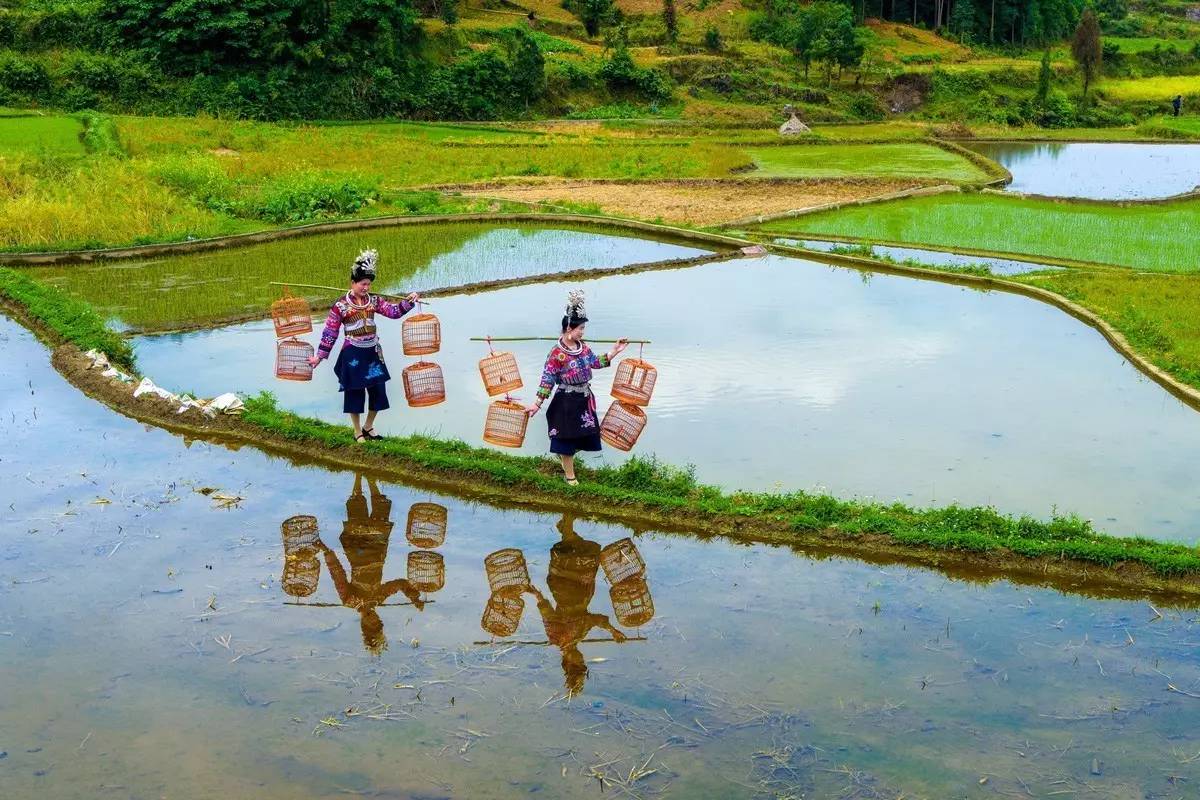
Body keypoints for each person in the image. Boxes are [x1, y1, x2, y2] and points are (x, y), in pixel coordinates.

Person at [308, 250, 420, 444]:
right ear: (353, 283)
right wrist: (319, 356)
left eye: (369, 284)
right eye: (363, 284)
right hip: (353, 353)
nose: (366, 288)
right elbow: (330, 332)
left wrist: (408, 302)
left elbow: (393, 312)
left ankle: (369, 426)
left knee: (378, 389)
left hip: (372, 352)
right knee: (355, 391)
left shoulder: (374, 301)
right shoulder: (341, 306)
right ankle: (357, 430)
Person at [526, 291, 628, 485]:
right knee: (566, 439)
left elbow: (595, 363)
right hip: (566, 401)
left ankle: (564, 458)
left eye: (583, 328)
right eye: (580, 328)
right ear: (569, 329)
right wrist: (536, 404)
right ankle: (569, 476)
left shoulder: (584, 347)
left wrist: (615, 351)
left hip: (584, 399)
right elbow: (547, 380)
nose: (582, 332)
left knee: (587, 435)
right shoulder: (556, 354)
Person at [315, 473, 424, 655]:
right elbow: (399, 584)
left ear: (363, 623)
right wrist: (413, 597)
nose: (373, 619)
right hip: (377, 549)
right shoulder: (378, 598)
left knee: (357, 507)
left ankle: (358, 477)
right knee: (381, 509)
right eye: (377, 622)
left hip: (356, 549)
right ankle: (372, 479)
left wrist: (325, 550)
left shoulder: (350, 601)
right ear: (379, 620)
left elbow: (338, 574)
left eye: (370, 623)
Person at [529, 514, 628, 697]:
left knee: (577, 555)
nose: (581, 660)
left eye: (577, 663)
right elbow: (594, 620)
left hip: (564, 586)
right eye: (583, 664)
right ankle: (566, 528)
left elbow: (547, 612)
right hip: (582, 590)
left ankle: (567, 524)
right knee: (582, 553)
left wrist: (536, 594)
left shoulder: (558, 637)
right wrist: (612, 630)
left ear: (566, 661)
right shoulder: (578, 637)